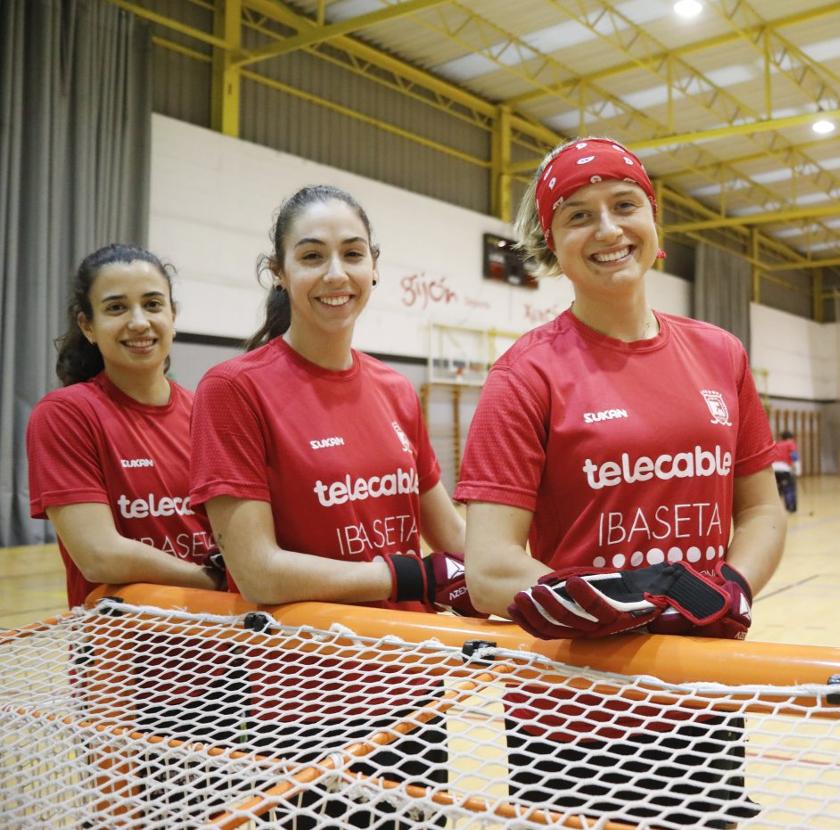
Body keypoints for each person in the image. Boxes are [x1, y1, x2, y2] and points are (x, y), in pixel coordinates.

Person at [454, 137, 786, 828]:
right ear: (553, 243)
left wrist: (736, 587)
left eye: (624, 205)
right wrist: (591, 607)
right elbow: (488, 567)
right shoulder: (526, 375)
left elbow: (760, 510)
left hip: (702, 696)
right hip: (572, 715)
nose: (607, 229)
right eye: (578, 215)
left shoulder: (721, 354)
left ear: (654, 221)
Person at [189, 185, 475, 828]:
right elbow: (259, 570)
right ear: (279, 272)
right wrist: (410, 576)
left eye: (352, 254)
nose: (336, 274)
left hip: (414, 686)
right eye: (313, 256)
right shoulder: (234, 390)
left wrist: (533, 578)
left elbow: (451, 533)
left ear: (376, 264)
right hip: (302, 706)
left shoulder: (396, 389)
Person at [25, 243, 230, 810]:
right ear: (87, 326)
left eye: (152, 304)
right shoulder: (67, 414)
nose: (139, 322)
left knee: (226, 812)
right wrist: (213, 579)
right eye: (116, 308)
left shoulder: (207, 414)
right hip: (125, 673)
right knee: (132, 817)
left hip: (223, 661)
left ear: (173, 315)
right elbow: (100, 555)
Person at [772, 429, 800, 513]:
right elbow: (794, 457)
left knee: (778, 490)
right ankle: (790, 507)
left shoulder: (777, 444)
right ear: (791, 438)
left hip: (774, 469)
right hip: (784, 469)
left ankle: (775, 509)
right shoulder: (790, 443)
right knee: (789, 488)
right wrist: (798, 471)